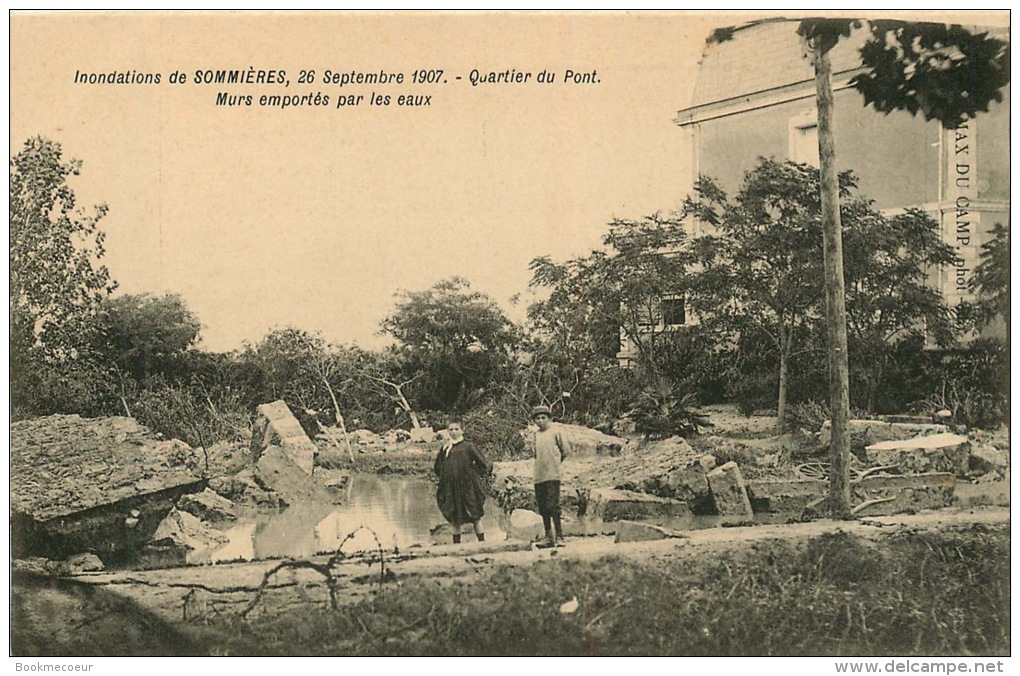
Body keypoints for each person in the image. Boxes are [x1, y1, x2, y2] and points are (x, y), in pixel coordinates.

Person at [433, 419, 490, 544]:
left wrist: (472, 476)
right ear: (447, 431)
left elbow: (483, 464)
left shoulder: (468, 446)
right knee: (454, 517)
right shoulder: (446, 448)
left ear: (462, 430)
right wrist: (445, 478)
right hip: (451, 488)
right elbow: (438, 467)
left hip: (468, 487)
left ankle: (482, 542)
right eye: (451, 429)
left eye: (456, 429)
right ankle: (456, 545)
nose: (453, 432)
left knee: (474, 515)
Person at [531, 405, 568, 548]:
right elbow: (536, 454)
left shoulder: (556, 431)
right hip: (539, 476)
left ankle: (560, 536)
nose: (540, 421)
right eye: (537, 419)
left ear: (550, 419)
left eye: (543, 418)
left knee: (553, 505)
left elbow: (566, 451)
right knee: (543, 507)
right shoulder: (536, 435)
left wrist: (556, 465)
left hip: (553, 474)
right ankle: (548, 537)